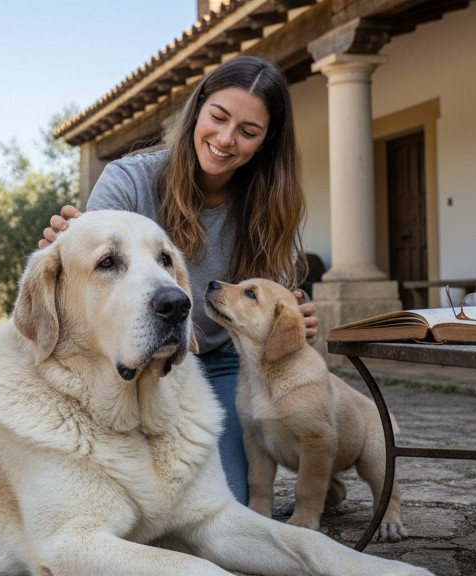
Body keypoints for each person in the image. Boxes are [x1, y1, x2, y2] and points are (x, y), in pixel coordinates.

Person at [39, 55, 319, 505]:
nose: (226, 139)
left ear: (267, 142)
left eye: (248, 132)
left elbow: (270, 299)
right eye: (218, 117)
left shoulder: (271, 209)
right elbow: (88, 254)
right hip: (132, 357)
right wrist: (64, 244)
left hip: (218, 361)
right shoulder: (128, 180)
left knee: (222, 501)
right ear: (198, 109)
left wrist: (294, 317)